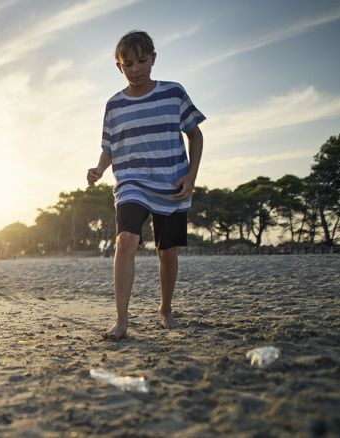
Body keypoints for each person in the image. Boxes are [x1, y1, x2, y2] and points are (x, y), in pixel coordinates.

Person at [87, 30, 205, 340]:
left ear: (153, 59)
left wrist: (191, 176)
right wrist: (99, 169)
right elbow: (109, 147)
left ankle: (165, 309)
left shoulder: (173, 93)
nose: (136, 69)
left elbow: (195, 135)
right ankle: (121, 320)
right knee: (126, 241)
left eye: (141, 61)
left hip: (171, 182)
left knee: (167, 253)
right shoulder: (114, 105)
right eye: (128, 64)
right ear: (119, 67)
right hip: (131, 183)